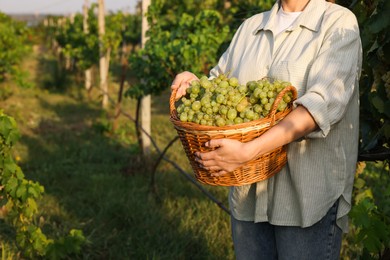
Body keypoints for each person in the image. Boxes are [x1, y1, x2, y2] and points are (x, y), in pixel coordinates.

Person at [171, 0, 362, 259]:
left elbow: (321, 106)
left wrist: (249, 150)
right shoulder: (250, 28)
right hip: (248, 196)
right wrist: (194, 83)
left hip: (306, 200)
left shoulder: (337, 22)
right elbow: (221, 84)